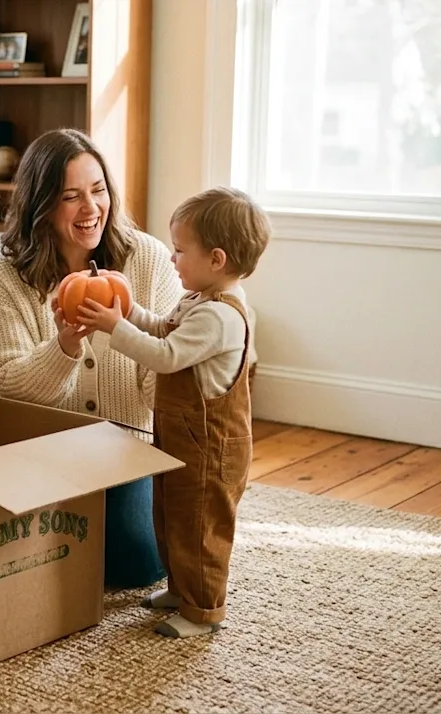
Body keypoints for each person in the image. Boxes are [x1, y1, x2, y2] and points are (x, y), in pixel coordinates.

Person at [0, 128, 185, 589]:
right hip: (43, 451)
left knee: (135, 563)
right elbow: (10, 382)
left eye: (98, 190)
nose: (91, 209)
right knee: (12, 554)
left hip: (129, 450)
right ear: (42, 204)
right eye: (71, 196)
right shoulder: (4, 273)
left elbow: (161, 382)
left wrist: (127, 332)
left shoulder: (146, 258)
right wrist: (65, 345)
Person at [75, 186, 270, 638]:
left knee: (200, 528)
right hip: (183, 437)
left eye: (181, 251)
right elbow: (164, 327)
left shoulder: (219, 317)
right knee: (170, 515)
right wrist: (128, 309)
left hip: (211, 447)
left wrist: (115, 328)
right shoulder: (200, 301)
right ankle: (181, 589)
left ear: (216, 259)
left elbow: (164, 354)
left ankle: (204, 609)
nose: (171, 259)